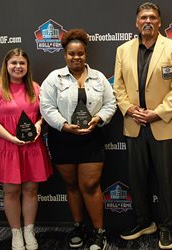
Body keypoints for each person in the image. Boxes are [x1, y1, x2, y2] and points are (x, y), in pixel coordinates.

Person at [113, 2, 172, 249]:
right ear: (137, 22)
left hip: (162, 124)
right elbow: (119, 86)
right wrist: (128, 109)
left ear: (159, 22)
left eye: (153, 17)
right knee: (136, 178)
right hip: (134, 123)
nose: (148, 21)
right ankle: (144, 221)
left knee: (166, 179)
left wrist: (156, 114)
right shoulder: (123, 50)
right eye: (143, 17)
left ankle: (166, 226)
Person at [40, 29, 116, 250]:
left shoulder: (99, 77)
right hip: (63, 138)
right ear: (65, 55)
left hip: (91, 138)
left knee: (91, 185)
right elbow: (46, 107)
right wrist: (64, 126)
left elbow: (111, 104)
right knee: (72, 186)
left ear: (86, 54)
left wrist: (99, 119)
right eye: (71, 54)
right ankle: (78, 226)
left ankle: (99, 232)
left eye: (80, 53)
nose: (76, 57)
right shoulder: (54, 78)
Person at [0, 48, 52, 250]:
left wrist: (39, 124)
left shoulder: (35, 88)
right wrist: (11, 137)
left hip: (31, 147)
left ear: (27, 67)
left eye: (22, 63)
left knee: (31, 189)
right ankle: (16, 233)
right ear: (6, 65)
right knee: (11, 191)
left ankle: (29, 231)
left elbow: (44, 113)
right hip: (6, 145)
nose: (18, 66)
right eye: (14, 63)